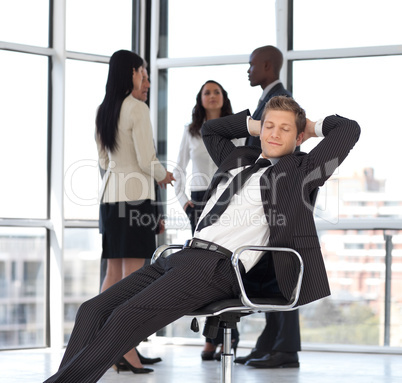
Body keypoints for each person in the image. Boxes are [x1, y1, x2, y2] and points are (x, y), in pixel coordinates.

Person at [44, 95, 360, 383]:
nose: (275, 134)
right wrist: (253, 124)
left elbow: (348, 130)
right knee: (92, 310)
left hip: (219, 268)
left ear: (298, 137)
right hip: (182, 255)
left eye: (286, 129)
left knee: (125, 318)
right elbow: (211, 130)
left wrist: (313, 126)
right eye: (269, 126)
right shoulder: (238, 159)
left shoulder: (300, 171)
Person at [95, 50, 174, 374]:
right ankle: (126, 348)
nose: (145, 76)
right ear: (131, 72)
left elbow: (103, 161)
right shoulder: (137, 109)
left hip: (110, 197)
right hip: (134, 198)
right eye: (142, 70)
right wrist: (163, 175)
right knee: (133, 279)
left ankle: (105, 345)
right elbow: (145, 160)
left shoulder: (105, 110)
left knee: (113, 275)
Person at [234, 45, 301, 369]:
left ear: (267, 65)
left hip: (276, 194)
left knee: (284, 273)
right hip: (266, 194)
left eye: (251, 65)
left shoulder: (279, 102)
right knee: (273, 271)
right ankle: (271, 343)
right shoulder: (268, 101)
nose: (248, 71)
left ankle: (286, 349)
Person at [173, 80, 240, 360]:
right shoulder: (192, 132)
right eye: (206, 93)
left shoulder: (237, 128)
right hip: (200, 202)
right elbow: (178, 168)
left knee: (229, 268)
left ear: (224, 98)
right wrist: (184, 202)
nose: (212, 96)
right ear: (200, 100)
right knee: (204, 271)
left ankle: (229, 337)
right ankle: (211, 338)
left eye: (216, 92)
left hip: (229, 199)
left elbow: (243, 165)